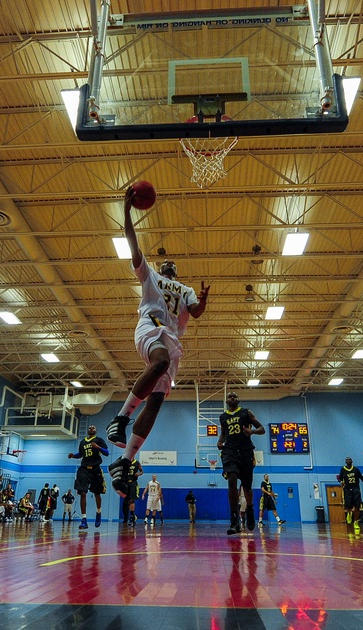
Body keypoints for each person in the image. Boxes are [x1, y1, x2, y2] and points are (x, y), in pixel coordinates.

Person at [106, 185, 210, 494]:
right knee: (160, 361)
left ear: (177, 272)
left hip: (173, 341)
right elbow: (133, 244)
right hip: (150, 328)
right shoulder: (151, 275)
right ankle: (121, 418)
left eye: (173, 267)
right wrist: (126, 212)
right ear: (161, 267)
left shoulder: (186, 289)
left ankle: (124, 461)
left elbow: (196, 311)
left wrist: (202, 302)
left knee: (157, 400)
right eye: (166, 265)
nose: (169, 266)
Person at [217, 391, 265, 534]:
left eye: (234, 396)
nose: (232, 398)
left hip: (245, 452)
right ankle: (234, 521)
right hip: (230, 452)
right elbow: (224, 433)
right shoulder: (223, 417)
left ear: (238, 400)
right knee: (231, 481)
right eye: (229, 396)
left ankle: (250, 509)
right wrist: (220, 441)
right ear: (226, 400)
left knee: (247, 487)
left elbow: (262, 429)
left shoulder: (246, 413)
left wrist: (252, 432)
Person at [70, 424, 109, 529]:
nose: (91, 428)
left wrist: (98, 447)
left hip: (95, 469)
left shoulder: (99, 440)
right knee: (82, 492)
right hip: (84, 469)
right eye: (90, 427)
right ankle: (84, 519)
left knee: (97, 494)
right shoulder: (82, 442)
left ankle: (98, 512)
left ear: (96, 430)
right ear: (88, 430)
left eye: (94, 427)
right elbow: (80, 454)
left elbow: (107, 453)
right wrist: (74, 455)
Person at [337, 456, 363, 534]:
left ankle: (356, 522)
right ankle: (349, 513)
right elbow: (339, 478)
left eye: (349, 459)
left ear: (352, 461)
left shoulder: (356, 469)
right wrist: (341, 482)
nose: (348, 461)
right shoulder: (343, 469)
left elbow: (361, 477)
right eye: (347, 460)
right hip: (347, 489)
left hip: (355, 489)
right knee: (348, 506)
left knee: (357, 506)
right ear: (345, 462)